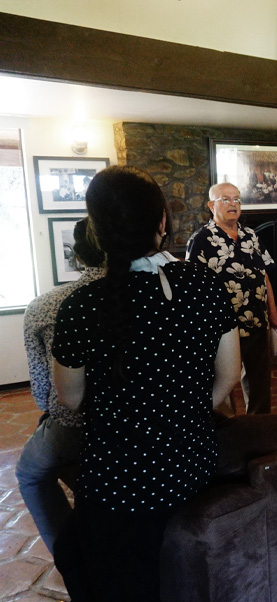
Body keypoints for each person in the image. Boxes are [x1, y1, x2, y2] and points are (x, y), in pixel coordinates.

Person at [51, 165, 241, 602]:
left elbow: (71, 397)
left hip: (121, 481)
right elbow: (230, 375)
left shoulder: (80, 306)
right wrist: (185, 411)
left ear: (97, 231)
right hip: (192, 463)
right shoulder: (205, 284)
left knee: (79, 555)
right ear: (162, 221)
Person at [17, 218, 105, 556]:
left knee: (30, 474)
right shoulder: (159, 293)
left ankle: (69, 554)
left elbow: (44, 392)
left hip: (76, 426)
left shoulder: (45, 306)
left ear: (78, 256)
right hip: (151, 420)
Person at [186, 181, 277, 414]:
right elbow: (193, 287)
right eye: (226, 199)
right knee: (223, 382)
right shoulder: (201, 240)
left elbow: (264, 274)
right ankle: (225, 430)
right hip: (223, 327)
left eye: (237, 199)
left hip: (258, 321)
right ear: (211, 205)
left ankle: (258, 428)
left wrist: (274, 311)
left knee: (260, 382)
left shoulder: (251, 236)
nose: (233, 204)